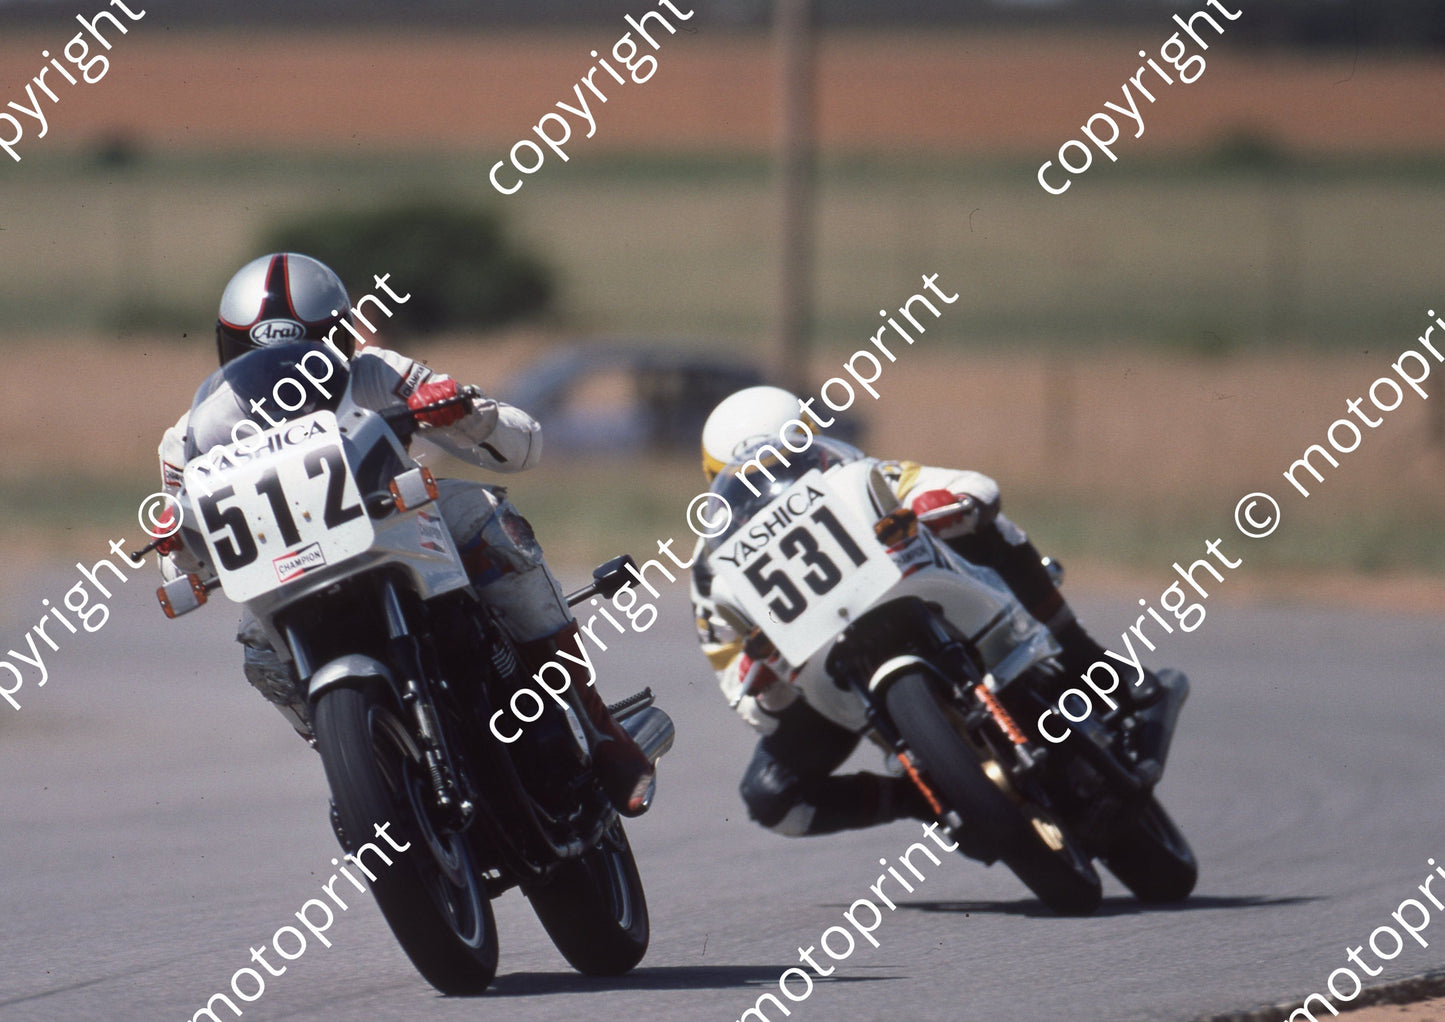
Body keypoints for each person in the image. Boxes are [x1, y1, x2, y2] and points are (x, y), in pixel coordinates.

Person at [155, 252, 655, 815]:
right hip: (288, 573)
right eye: (257, 356)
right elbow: (182, 560)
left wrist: (464, 412)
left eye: (308, 351)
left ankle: (598, 726)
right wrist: (178, 543)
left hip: (402, 528)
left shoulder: (376, 372)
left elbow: (524, 447)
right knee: (257, 647)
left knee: (483, 517)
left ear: (340, 339)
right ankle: (362, 764)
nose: (282, 374)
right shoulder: (192, 437)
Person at [689, 385, 1167, 839]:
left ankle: (1086, 655)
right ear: (719, 485)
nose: (772, 493)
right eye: (749, 481)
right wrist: (766, 686)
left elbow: (965, 486)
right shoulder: (713, 571)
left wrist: (950, 502)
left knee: (986, 524)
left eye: (787, 465)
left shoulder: (854, 471)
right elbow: (739, 688)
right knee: (769, 795)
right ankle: (921, 800)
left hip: (923, 592)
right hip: (824, 679)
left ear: (811, 447)